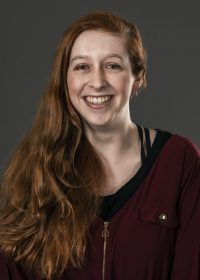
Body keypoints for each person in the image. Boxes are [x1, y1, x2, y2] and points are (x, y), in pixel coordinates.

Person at [0, 10, 199, 280]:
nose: (97, 82)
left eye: (112, 66)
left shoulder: (180, 161)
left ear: (137, 77)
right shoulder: (35, 168)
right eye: (82, 66)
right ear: (65, 79)